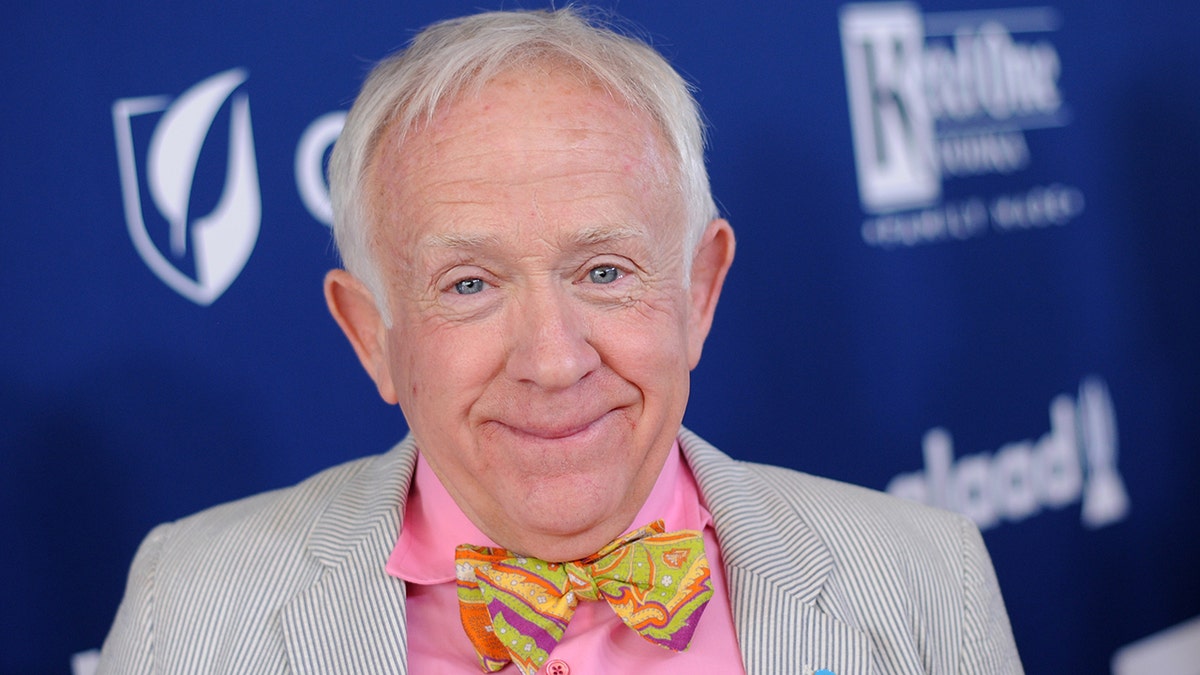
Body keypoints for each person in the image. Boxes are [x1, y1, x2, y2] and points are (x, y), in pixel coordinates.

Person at [98, 7, 1022, 674]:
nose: (552, 358)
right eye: (469, 284)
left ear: (698, 292)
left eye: (605, 271)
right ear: (372, 334)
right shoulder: (191, 610)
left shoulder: (925, 579)